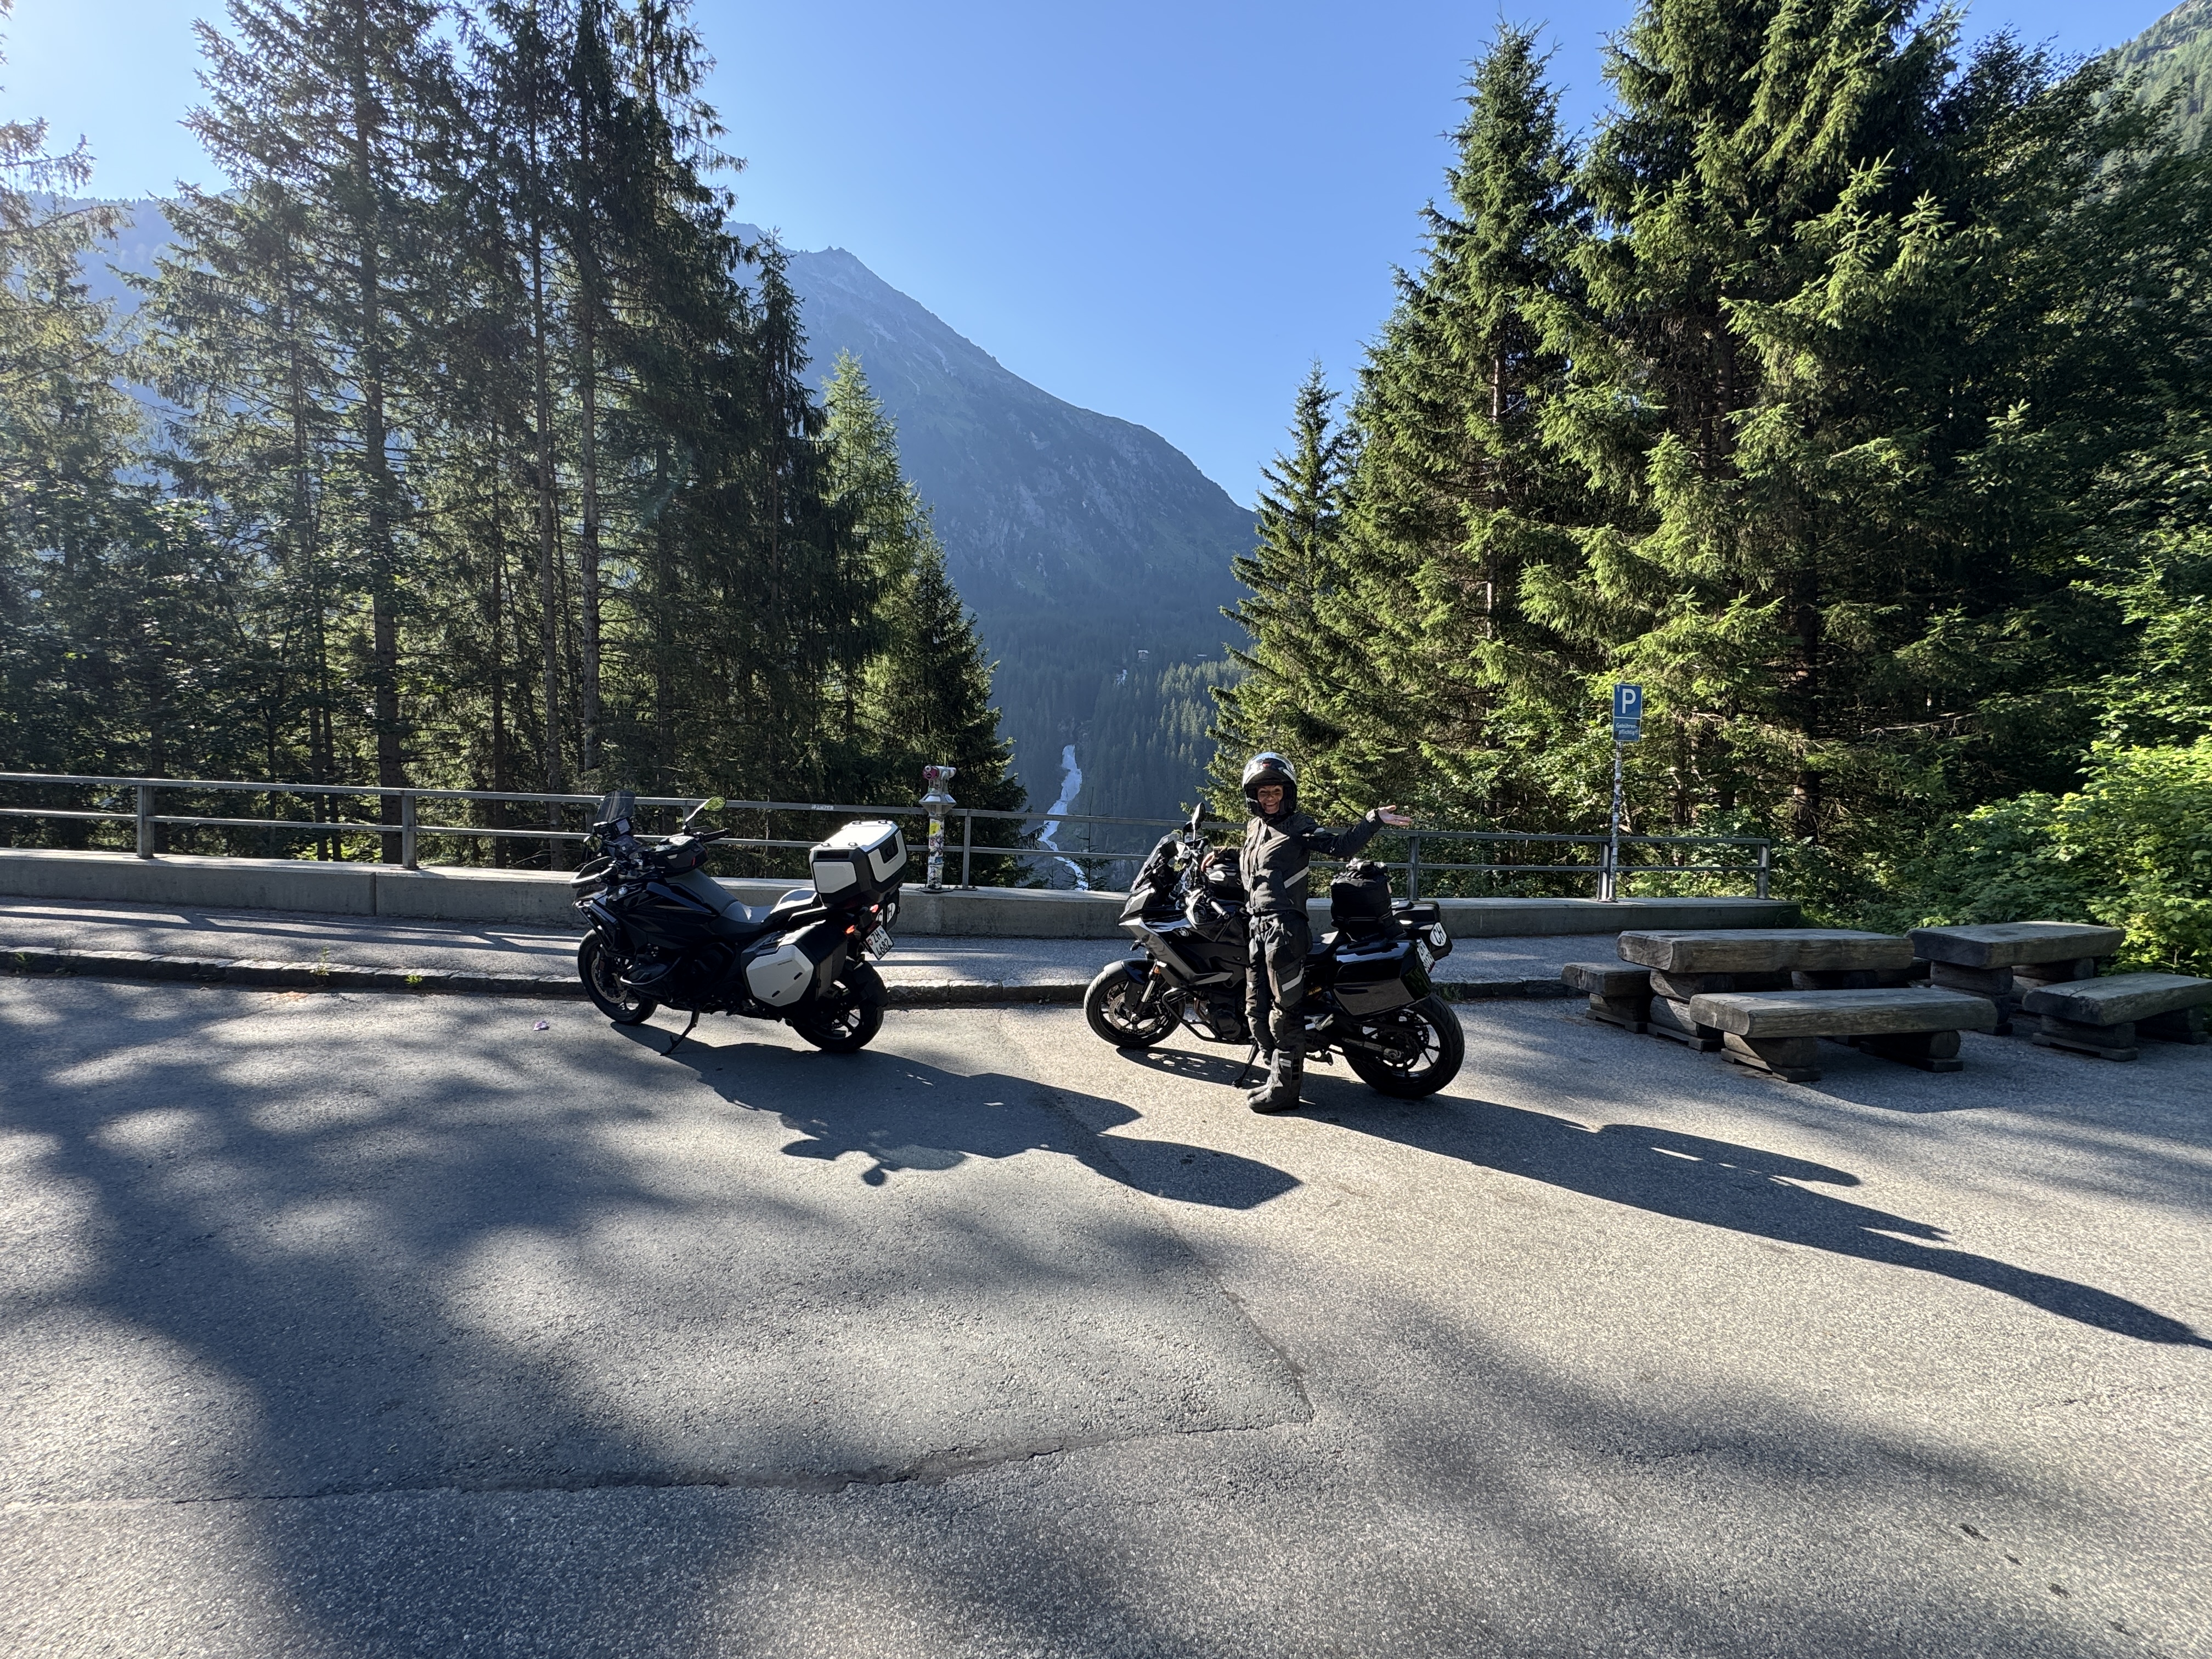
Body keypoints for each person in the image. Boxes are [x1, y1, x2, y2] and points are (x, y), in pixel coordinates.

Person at [1236, 751, 1412, 1115]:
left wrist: (1373, 820)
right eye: (1263, 793)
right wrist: (1217, 855)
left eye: (1276, 792)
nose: (1270, 799)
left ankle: (1286, 1092)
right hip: (1256, 928)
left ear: (1287, 793)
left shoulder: (1299, 825)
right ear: (1254, 797)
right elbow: (1255, 862)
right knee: (1255, 1009)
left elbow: (1339, 847)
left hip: (1284, 931)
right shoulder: (1255, 828)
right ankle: (1275, 1075)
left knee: (1285, 1014)